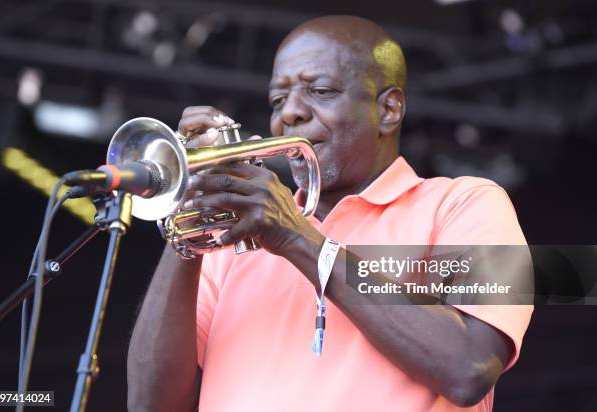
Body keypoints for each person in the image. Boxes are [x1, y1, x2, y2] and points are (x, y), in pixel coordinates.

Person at [127, 15, 532, 412]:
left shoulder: (464, 204)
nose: (289, 114)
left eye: (319, 91)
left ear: (388, 109)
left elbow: (469, 367)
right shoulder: (232, 241)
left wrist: (297, 237)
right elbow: (150, 403)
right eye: (277, 100)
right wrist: (188, 228)